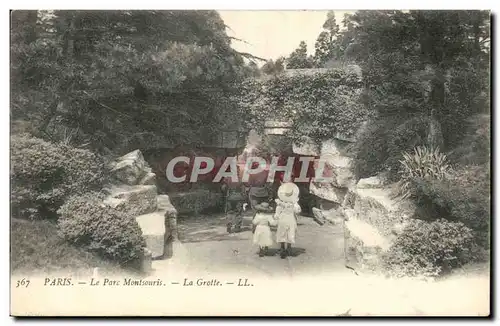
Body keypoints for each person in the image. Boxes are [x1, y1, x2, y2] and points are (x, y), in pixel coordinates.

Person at [274, 182, 301, 259]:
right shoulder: (294, 203)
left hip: (282, 219)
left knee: (282, 232)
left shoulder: (280, 203)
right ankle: (289, 247)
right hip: (291, 219)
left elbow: (277, 212)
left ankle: (282, 247)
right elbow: (297, 211)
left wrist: (276, 216)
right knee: (290, 232)